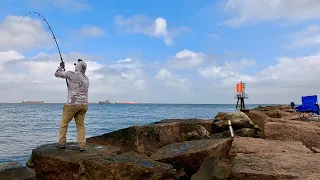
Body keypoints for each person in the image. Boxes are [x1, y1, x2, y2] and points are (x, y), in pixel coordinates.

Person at [54, 59, 89, 152]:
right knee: (80, 126)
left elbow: (57, 73)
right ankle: (81, 146)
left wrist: (61, 67)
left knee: (64, 123)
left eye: (76, 65)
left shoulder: (71, 74)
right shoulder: (86, 79)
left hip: (72, 104)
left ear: (77, 67)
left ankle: (61, 143)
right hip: (84, 105)